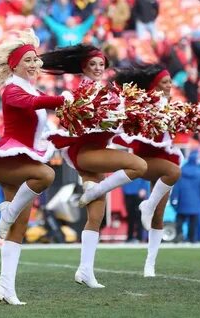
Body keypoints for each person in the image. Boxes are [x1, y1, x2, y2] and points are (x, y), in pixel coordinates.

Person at [0, 29, 70, 305]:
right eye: (27, 60)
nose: (33, 64)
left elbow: (42, 115)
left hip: (25, 161)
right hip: (7, 163)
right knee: (46, 175)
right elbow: (30, 104)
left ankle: (5, 287)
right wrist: (61, 99)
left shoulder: (35, 88)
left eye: (35, 59)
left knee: (19, 227)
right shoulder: (12, 90)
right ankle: (6, 213)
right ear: (14, 65)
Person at [40, 44, 148, 288]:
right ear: (84, 68)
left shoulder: (108, 90)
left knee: (96, 216)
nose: (98, 68)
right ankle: (96, 190)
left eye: (101, 64)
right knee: (138, 166)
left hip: (94, 152)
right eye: (93, 65)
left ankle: (85, 271)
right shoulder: (82, 91)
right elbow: (84, 122)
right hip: (86, 152)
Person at [113, 64, 182, 277]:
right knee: (172, 174)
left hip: (165, 157)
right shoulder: (146, 104)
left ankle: (149, 265)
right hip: (146, 159)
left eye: (170, 81)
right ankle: (146, 205)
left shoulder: (171, 104)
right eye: (164, 82)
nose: (169, 85)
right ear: (154, 85)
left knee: (158, 215)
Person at [171, 150, 200, 243]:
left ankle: (179, 234)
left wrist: (174, 199)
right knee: (193, 221)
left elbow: (176, 187)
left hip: (182, 200)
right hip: (196, 201)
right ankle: (192, 238)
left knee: (180, 219)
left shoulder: (181, 170)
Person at [122, 178, 150, 242]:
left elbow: (145, 176)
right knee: (130, 216)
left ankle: (139, 237)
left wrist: (144, 188)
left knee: (139, 216)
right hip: (128, 193)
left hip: (139, 192)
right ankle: (130, 237)